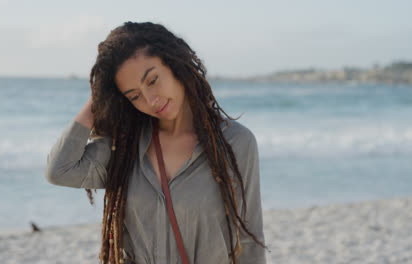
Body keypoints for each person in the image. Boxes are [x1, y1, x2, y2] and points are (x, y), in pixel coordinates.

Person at [45, 21, 269, 264]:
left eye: (152, 81)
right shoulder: (124, 148)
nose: (151, 100)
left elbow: (249, 238)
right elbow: (60, 170)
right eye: (134, 96)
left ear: (175, 65)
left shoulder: (235, 143)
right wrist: (100, 94)